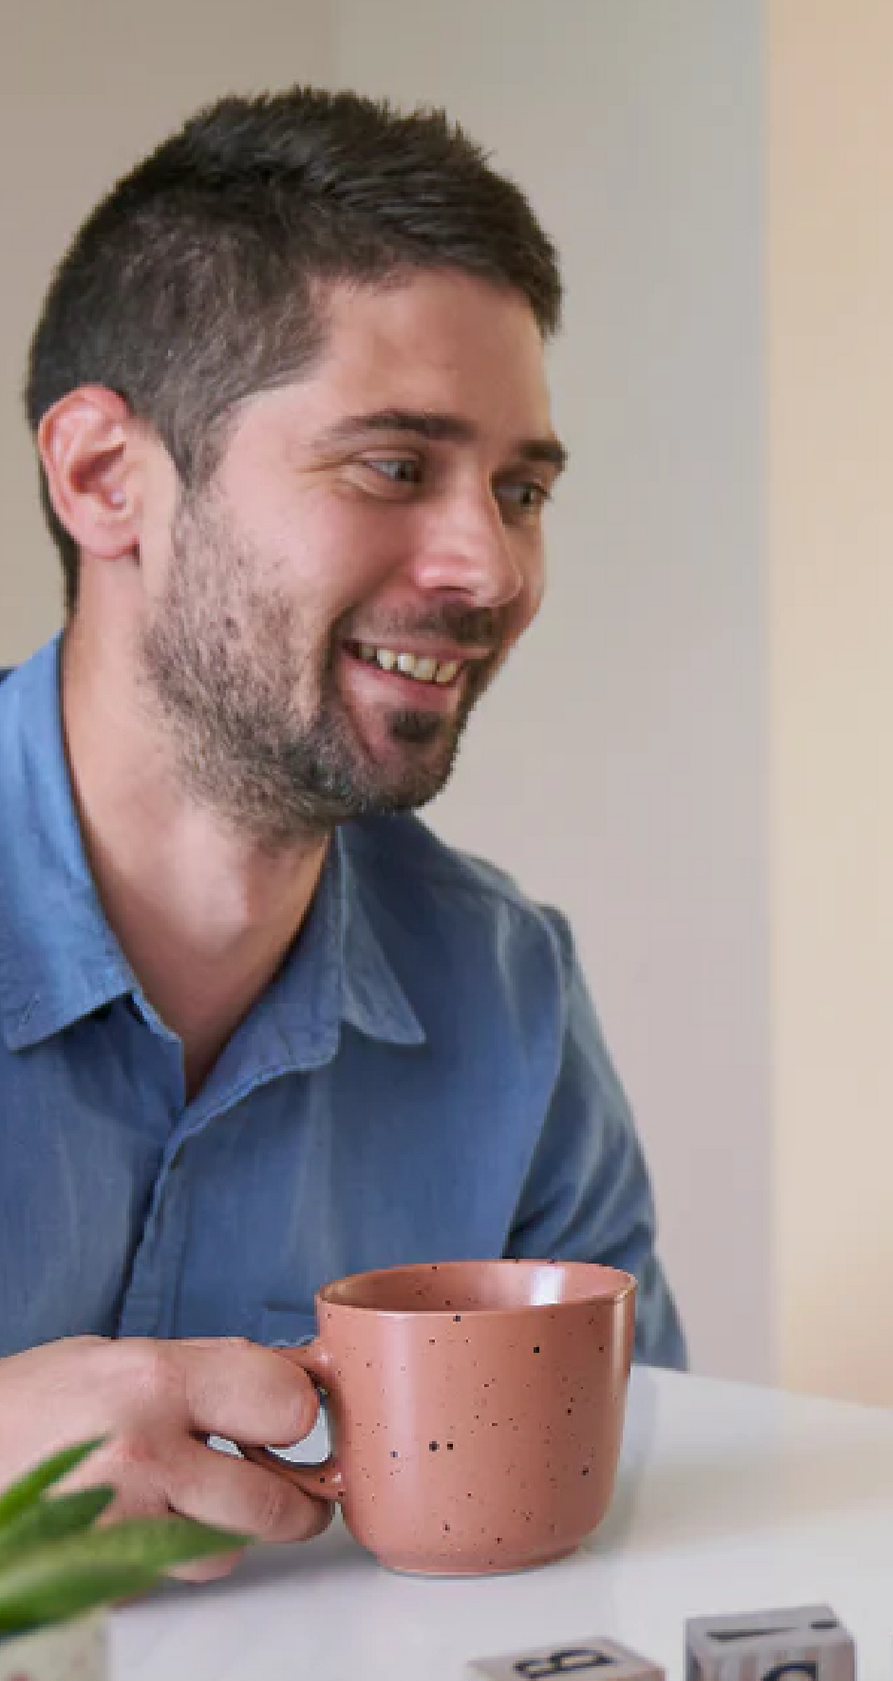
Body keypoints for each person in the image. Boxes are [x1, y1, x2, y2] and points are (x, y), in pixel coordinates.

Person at [0, 87, 685, 1572]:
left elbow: (637, 1504)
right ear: (106, 477)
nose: (487, 566)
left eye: (519, 490)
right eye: (393, 466)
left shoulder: (506, 994)